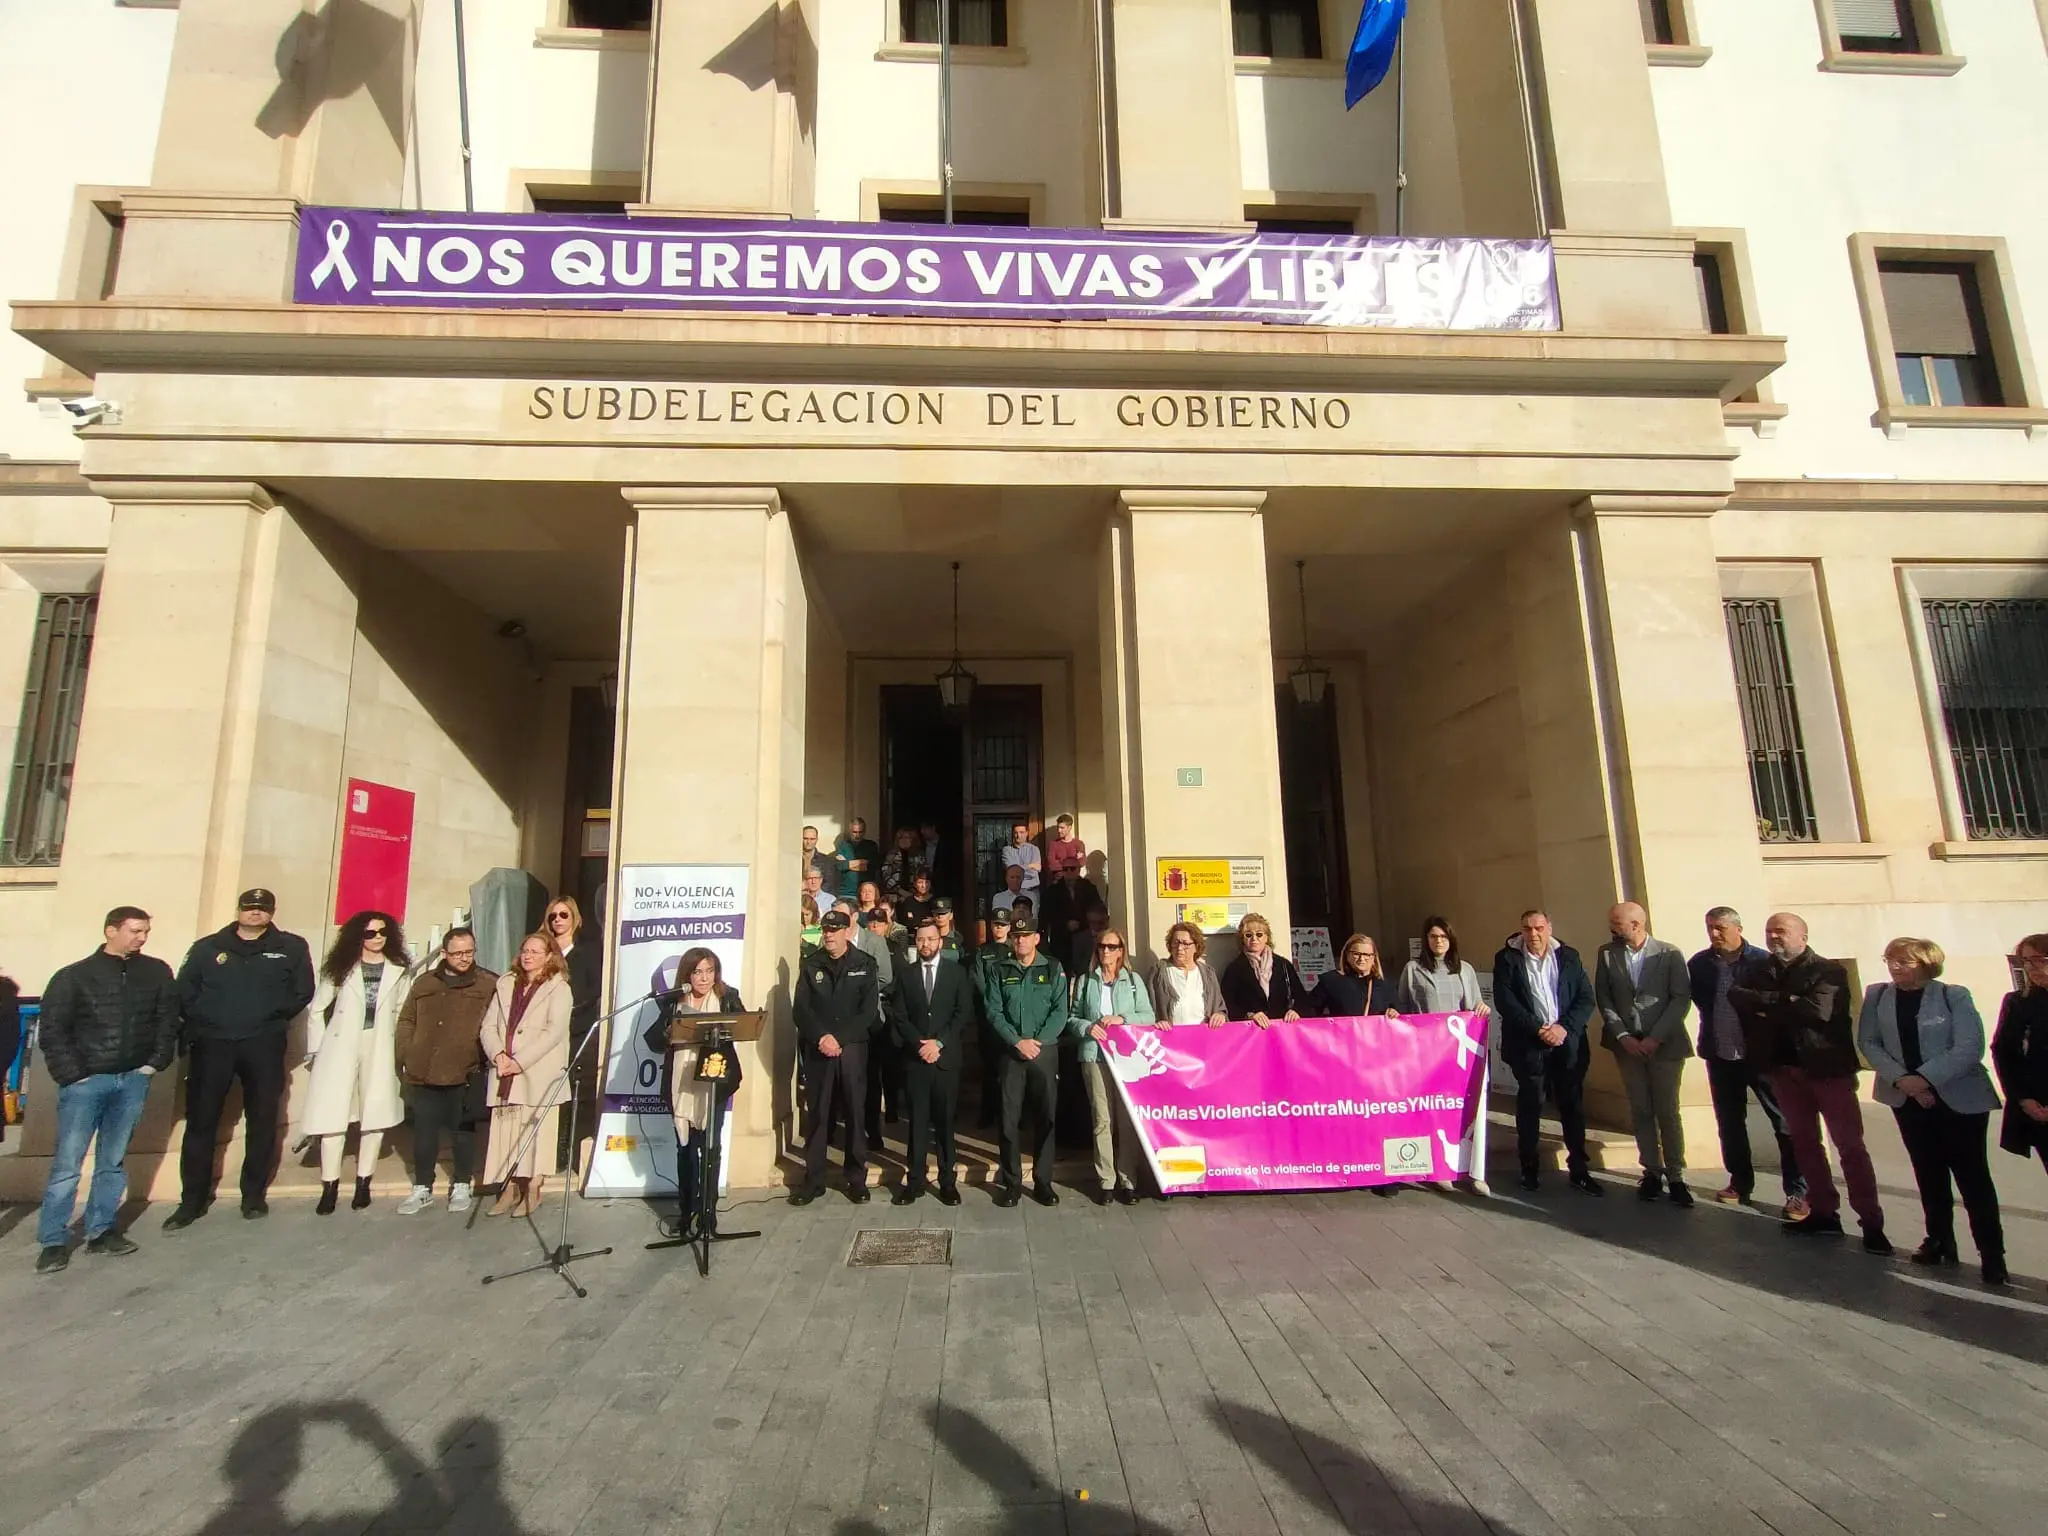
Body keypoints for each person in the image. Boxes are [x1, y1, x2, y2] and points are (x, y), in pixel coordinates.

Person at [1728, 912, 1889, 1252]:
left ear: (1803, 935)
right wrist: (1785, 1001)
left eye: (1781, 931)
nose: (1773, 936)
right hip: (1783, 1069)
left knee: (1850, 1147)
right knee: (1803, 1143)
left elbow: (1818, 1011)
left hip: (1828, 1070)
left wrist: (1768, 1006)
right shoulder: (1759, 969)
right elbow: (1738, 997)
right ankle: (1824, 1212)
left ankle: (1871, 1221)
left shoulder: (1828, 970)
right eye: (1769, 931)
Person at [33, 907, 179, 1273]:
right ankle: (53, 1240)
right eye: (134, 931)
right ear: (111, 931)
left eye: (145, 931)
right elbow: (53, 1030)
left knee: (112, 1162)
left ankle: (101, 1231)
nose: (141, 938)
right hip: (86, 1084)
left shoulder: (156, 972)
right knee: (68, 1164)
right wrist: (74, 1075)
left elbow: (167, 1021)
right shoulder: (74, 977)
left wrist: (152, 1064)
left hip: (132, 1080)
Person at [1856, 938, 2004, 1284]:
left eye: (1903, 961)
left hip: (1959, 1097)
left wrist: (1924, 1079)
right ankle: (1939, 1239)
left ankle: (1991, 1253)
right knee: (1928, 1171)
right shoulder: (1878, 995)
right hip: (1904, 1096)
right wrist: (1902, 1080)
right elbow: (1869, 1042)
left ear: (1926, 963)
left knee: (1972, 1177)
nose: (1894, 967)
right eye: (1890, 959)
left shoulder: (1954, 995)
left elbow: (1969, 1046)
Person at [168, 888, 317, 1228]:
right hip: (212, 1045)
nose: (255, 913)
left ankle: (253, 1195)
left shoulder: (291, 947)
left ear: (271, 912)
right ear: (239, 910)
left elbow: (302, 991)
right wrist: (207, 1020)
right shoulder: (208, 948)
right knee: (201, 1122)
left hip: (263, 1044)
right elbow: (185, 992)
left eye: (262, 908)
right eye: (249, 907)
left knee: (262, 1121)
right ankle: (192, 1200)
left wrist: (269, 1016)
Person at [1687, 908, 1807, 1217]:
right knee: (1729, 1123)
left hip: (1762, 1056)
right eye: (1710, 927)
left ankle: (1798, 1191)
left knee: (1784, 1122)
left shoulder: (1762, 962)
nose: (1714, 934)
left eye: (1720, 928)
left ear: (1738, 929)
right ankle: (1739, 1182)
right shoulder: (1699, 964)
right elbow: (1701, 1002)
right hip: (1720, 1054)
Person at [305, 911, 413, 1215]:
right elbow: (317, 1010)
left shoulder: (399, 970)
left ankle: (364, 1182)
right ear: (358, 936)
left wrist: (401, 1050)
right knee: (332, 1116)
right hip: (340, 1045)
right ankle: (330, 1185)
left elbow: (402, 1012)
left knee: (375, 1112)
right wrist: (317, 1050)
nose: (377, 938)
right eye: (370, 933)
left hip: (380, 1044)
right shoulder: (341, 967)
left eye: (383, 932)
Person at [1595, 902, 1696, 1206]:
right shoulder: (1607, 953)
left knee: (1667, 1110)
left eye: (1617, 923)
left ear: (1637, 924)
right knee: (1640, 1108)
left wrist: (1655, 1037)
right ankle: (1651, 1170)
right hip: (1627, 1045)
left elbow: (1680, 999)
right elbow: (1604, 997)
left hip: (1665, 1045)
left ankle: (1676, 1174)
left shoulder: (1669, 953)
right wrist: (1622, 1035)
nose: (1612, 927)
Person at [1494, 910, 1601, 1195]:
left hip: (1567, 1044)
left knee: (1572, 1105)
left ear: (1549, 928)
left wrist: (1563, 1028)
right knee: (1531, 1105)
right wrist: (1538, 1028)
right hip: (1529, 1045)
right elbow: (1506, 1002)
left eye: (1539, 928)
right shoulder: (1507, 959)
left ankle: (1579, 1168)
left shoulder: (1568, 957)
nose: (1534, 934)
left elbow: (1585, 998)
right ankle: (1529, 1167)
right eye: (1528, 929)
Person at [392, 926, 495, 1215]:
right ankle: (422, 1186)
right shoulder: (425, 982)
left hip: (465, 1072)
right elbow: (406, 1019)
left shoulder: (487, 984)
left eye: (469, 952)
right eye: (458, 953)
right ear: (444, 953)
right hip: (423, 1070)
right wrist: (407, 1052)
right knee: (424, 1133)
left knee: (463, 1132)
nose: (464, 958)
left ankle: (461, 1183)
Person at [651, 947, 744, 1240]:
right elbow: (653, 1039)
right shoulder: (674, 1001)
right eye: (698, 972)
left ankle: (708, 1213)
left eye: (709, 971)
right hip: (681, 1083)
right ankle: (687, 1210)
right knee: (686, 1149)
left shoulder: (728, 997)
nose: (704, 978)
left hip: (713, 1082)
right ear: (687, 975)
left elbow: (743, 1025)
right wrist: (670, 1032)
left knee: (711, 1148)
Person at [478, 931, 572, 1219]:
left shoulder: (559, 988)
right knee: (506, 1134)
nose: (528, 956)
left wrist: (520, 1062)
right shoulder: (506, 983)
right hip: (504, 1070)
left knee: (536, 1134)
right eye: (525, 950)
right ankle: (507, 1188)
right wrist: (498, 1055)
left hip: (537, 1071)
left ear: (549, 956)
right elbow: (488, 1026)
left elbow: (554, 1033)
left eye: (535, 951)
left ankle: (533, 1189)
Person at [792, 910, 880, 1205]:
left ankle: (856, 1179)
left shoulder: (865, 964)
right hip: (819, 1049)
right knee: (819, 1114)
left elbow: (867, 1010)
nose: (828, 935)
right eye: (825, 930)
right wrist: (822, 1037)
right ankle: (814, 1179)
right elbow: (801, 1009)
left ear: (847, 932)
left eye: (834, 930)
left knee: (855, 1112)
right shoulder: (811, 964)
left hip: (851, 1048)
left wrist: (839, 1039)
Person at [1070, 925, 1157, 1205]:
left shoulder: (1132, 980)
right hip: (1094, 1055)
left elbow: (1148, 1016)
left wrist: (1123, 1019)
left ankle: (1128, 1180)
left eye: (1112, 947)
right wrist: (1087, 1027)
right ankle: (1106, 1181)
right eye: (1102, 947)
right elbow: (1072, 1018)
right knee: (1102, 1119)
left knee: (1127, 1120)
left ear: (1121, 951)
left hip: (1126, 1058)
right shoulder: (1086, 981)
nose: (1106, 951)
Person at [982, 916, 1066, 1206]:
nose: (1020, 940)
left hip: (1043, 1052)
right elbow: (993, 1011)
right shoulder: (999, 968)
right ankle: (1012, 1184)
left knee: (1046, 1118)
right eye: (1017, 936)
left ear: (1036, 939)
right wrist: (1017, 1041)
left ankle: (1043, 1182)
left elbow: (1060, 1011)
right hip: (1011, 1052)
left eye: (1026, 935)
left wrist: (1037, 1042)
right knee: (1008, 1120)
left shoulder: (1052, 967)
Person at [889, 917, 973, 1206]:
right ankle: (915, 1181)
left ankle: (948, 1182)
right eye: (921, 939)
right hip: (916, 1060)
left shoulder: (956, 973)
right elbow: (899, 1015)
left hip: (945, 1059)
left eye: (930, 939)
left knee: (945, 1123)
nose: (925, 944)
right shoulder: (906, 974)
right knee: (917, 1123)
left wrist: (939, 1043)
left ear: (940, 941)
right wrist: (919, 1044)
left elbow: (962, 1013)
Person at [1992, 932, 2048, 1180]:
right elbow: (2003, 1052)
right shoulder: (2018, 1002)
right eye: (2025, 961)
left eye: (2039, 959)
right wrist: (2023, 1098)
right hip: (2037, 1107)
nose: (2031, 967)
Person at [1219, 913, 1312, 1025]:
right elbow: (1227, 1004)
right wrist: (1249, 1015)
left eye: (1259, 934)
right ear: (1242, 939)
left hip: (1282, 1028)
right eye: (1248, 935)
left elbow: (1302, 998)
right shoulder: (1234, 969)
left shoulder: (1283, 965)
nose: (1254, 939)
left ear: (1266, 938)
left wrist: (1296, 1011)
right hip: (1252, 1030)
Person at [972, 906, 1016, 1126]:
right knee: (989, 1067)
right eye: (996, 924)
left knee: (1011, 1069)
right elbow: (979, 981)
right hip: (989, 1018)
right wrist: (994, 1004)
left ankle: (1012, 1115)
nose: (999, 928)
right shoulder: (982, 952)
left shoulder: (1016, 950)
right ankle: (988, 1113)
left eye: (1003, 925)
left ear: (1009, 927)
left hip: (1012, 1017)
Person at [1395, 917, 1488, 1016]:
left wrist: (1483, 1009)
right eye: (1433, 936)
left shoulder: (1466, 969)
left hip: (1456, 1025)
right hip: (1424, 1026)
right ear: (1426, 939)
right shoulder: (1412, 969)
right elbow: (1401, 1006)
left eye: (1443, 936)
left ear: (1450, 939)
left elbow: (1477, 1005)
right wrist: (1394, 1013)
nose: (1438, 940)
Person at [1149, 921, 1227, 1026]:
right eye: (1175, 943)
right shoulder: (1159, 972)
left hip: (1202, 1033)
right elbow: (1148, 1009)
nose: (1179, 948)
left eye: (1185, 944)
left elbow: (1219, 1008)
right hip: (1169, 1034)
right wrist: (1158, 1022)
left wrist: (1220, 1015)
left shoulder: (1208, 974)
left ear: (1196, 946)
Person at [1312, 935, 1402, 1018]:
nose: (1361, 959)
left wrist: (1393, 1012)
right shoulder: (1331, 981)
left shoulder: (1386, 985)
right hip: (1342, 1030)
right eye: (1356, 954)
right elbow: (1309, 1012)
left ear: (1373, 957)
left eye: (1366, 954)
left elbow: (1401, 1015)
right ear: (1347, 955)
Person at [1040, 866, 1104, 958]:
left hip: (1085, 934)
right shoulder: (1053, 890)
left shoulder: (1088, 887)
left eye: (1072, 868)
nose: (1069, 871)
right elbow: (1046, 915)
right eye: (1065, 869)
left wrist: (1081, 924)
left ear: (1078, 870)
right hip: (1060, 939)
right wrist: (1065, 923)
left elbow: (1097, 911)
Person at [834, 816, 880, 902]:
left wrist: (848, 863)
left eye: (860, 832)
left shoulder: (871, 845)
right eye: (854, 832)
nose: (858, 835)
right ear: (850, 831)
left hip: (866, 892)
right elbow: (840, 866)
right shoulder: (842, 845)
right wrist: (862, 862)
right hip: (846, 892)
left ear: (864, 831)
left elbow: (872, 866)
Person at [881, 827, 928, 898]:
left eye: (906, 837)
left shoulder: (919, 855)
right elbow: (885, 875)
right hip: (894, 893)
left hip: (915, 894)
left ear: (913, 839)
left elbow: (923, 875)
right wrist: (900, 890)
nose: (903, 840)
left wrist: (913, 891)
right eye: (900, 838)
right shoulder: (891, 855)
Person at [1001, 820, 1042, 897]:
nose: (1018, 835)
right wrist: (1030, 866)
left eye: (1021, 832)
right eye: (1016, 833)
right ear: (1012, 834)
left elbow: (1034, 873)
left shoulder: (1034, 849)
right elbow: (1011, 871)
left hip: (1032, 890)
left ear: (1027, 833)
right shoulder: (1007, 850)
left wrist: (1017, 870)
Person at [1069, 904, 1112, 975]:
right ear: (1088, 922)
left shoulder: (1114, 939)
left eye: (1101, 923)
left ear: (1107, 920)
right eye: (1093, 923)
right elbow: (1078, 968)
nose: (1097, 927)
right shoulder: (1080, 940)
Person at [1045, 813, 1087, 881]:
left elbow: (1082, 862)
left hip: (1074, 881)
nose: (1059, 830)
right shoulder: (1053, 844)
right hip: (1059, 881)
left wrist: (1059, 862)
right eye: (1058, 827)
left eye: (1062, 828)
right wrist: (1074, 860)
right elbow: (1051, 865)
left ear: (1069, 827)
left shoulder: (1079, 844)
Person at [801, 824, 838, 889]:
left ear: (816, 840)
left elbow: (829, 884)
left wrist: (814, 893)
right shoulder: (792, 859)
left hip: (818, 894)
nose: (808, 842)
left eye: (812, 839)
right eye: (805, 838)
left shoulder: (826, 860)